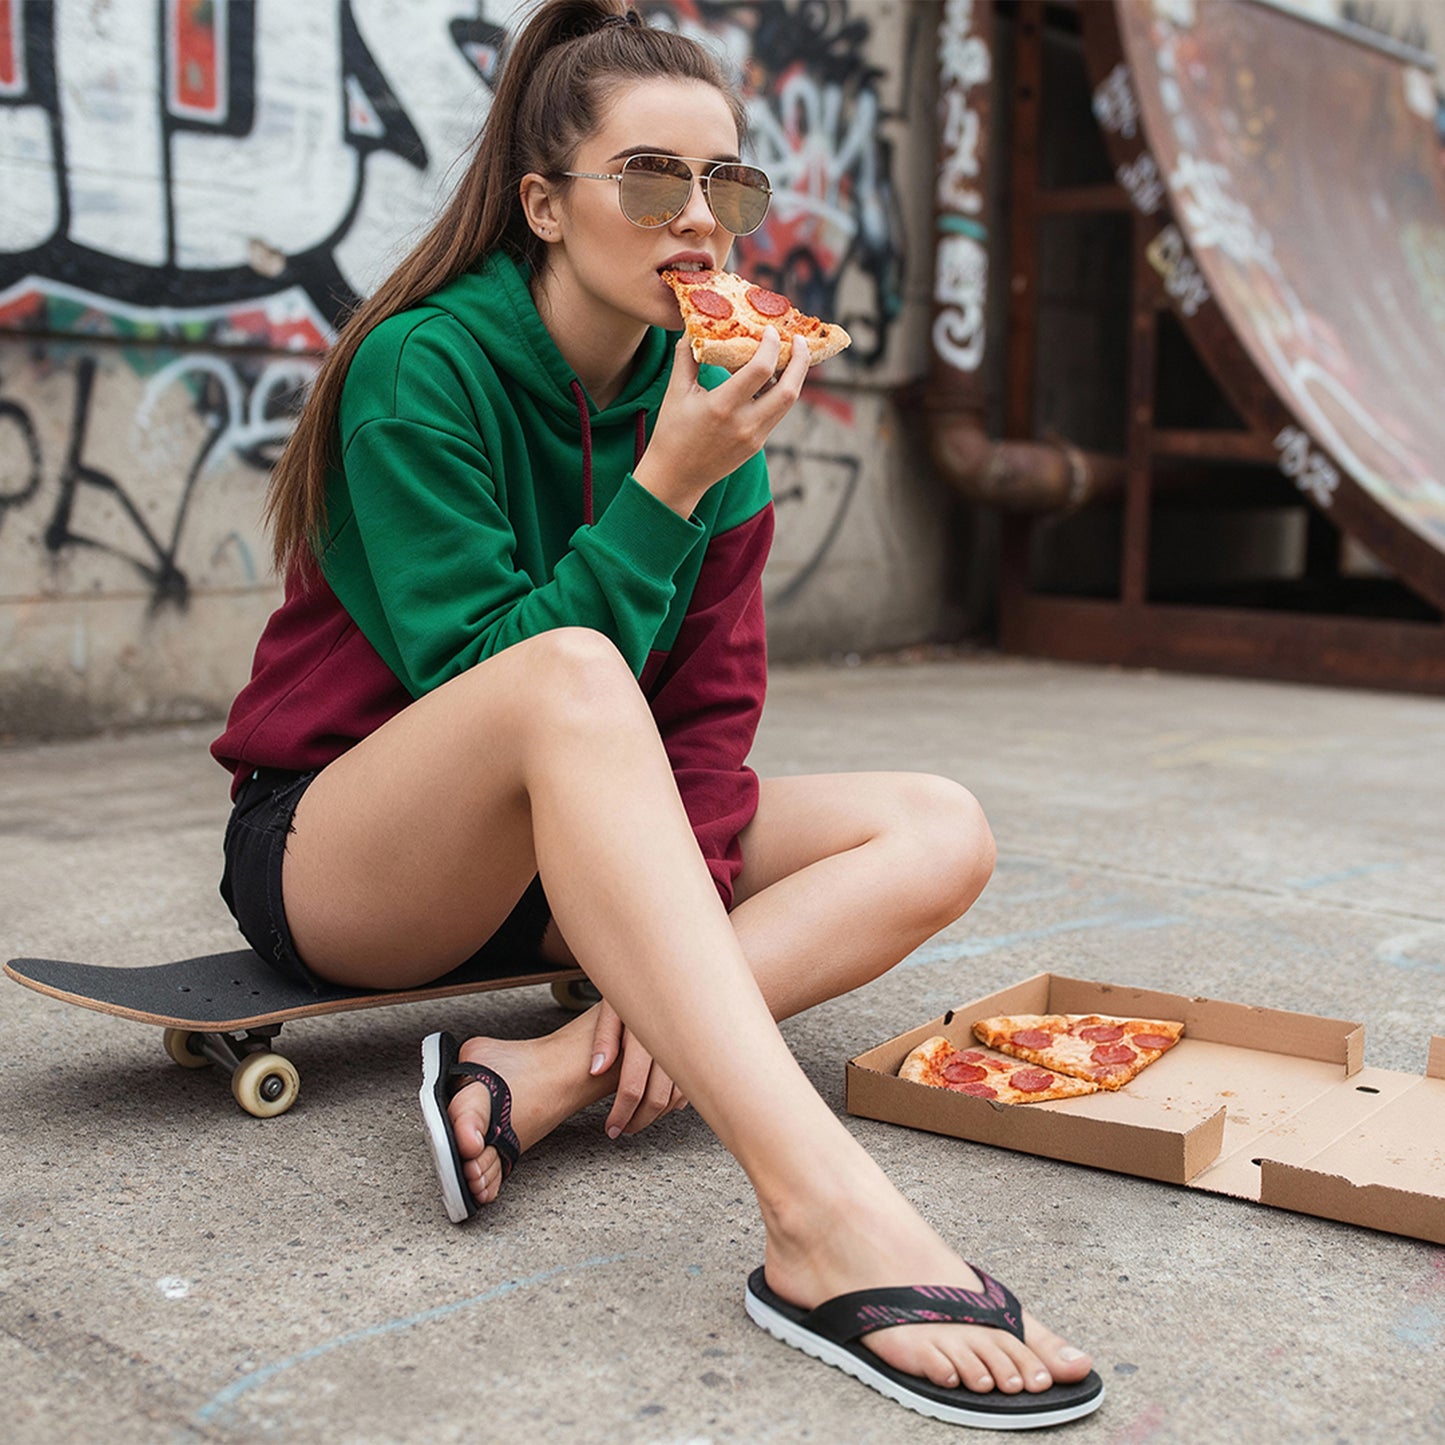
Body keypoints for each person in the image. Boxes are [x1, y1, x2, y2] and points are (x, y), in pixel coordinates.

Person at [210, 0, 1102, 1428]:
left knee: (938, 825)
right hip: (354, 856)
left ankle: (543, 1072)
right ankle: (822, 1217)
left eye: (725, 183)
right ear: (544, 204)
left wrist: (656, 936)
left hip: (572, 864)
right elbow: (484, 686)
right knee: (565, 673)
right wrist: (664, 486)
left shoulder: (712, 389)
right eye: (648, 177)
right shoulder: (419, 371)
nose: (698, 219)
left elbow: (706, 722)